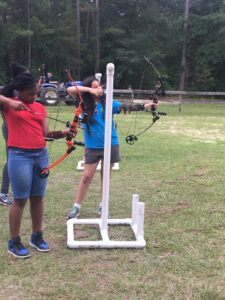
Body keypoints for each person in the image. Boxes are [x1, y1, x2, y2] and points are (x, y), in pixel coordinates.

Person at [0, 63, 68, 258]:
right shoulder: (9, 105)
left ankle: (37, 236)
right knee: (20, 199)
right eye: (30, 94)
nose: (34, 97)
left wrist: (64, 132)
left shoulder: (38, 107)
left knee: (37, 198)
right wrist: (9, 101)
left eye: (36, 93)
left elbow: (46, 134)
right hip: (19, 156)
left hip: (40, 155)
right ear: (19, 91)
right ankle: (14, 241)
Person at [67, 76, 122, 219]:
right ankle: (76, 206)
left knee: (105, 177)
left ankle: (103, 206)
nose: (99, 89)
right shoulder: (83, 103)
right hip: (92, 146)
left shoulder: (109, 103)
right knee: (86, 176)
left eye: (99, 86)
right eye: (94, 86)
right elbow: (70, 89)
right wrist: (90, 90)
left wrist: (149, 106)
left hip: (111, 144)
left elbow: (127, 107)